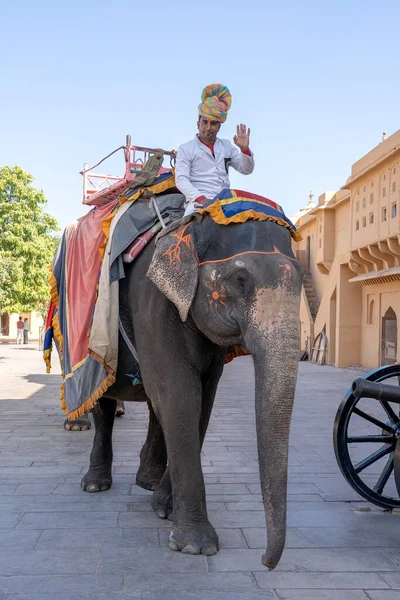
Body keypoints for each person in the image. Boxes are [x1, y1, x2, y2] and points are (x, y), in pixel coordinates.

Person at [175, 84, 255, 215]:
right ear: (198, 124)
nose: (208, 127)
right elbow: (181, 180)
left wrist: (245, 150)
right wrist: (201, 198)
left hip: (225, 202)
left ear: (219, 127)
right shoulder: (186, 149)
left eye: (213, 123)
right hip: (198, 203)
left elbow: (246, 170)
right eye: (205, 122)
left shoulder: (227, 146)